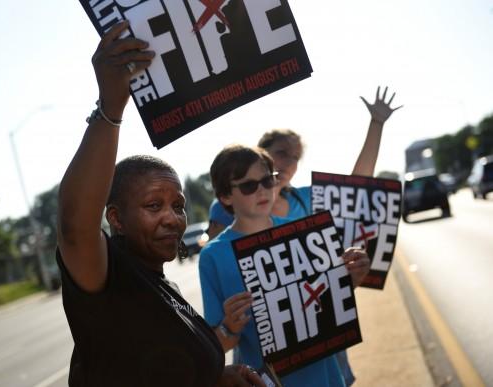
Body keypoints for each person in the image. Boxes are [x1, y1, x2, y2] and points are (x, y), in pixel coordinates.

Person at [56, 20, 265, 387]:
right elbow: (74, 227)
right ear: (116, 219)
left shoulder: (160, 283)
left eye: (178, 205)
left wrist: (220, 377)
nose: (173, 218)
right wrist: (110, 105)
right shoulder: (109, 279)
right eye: (154, 206)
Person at [199, 144, 371, 386]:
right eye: (249, 186)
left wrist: (350, 279)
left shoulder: (305, 231)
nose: (262, 191)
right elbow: (217, 346)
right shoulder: (213, 256)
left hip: (328, 378)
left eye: (267, 181)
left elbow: (328, 303)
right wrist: (230, 326)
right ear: (226, 196)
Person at [206, 86, 403, 240]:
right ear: (261, 154)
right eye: (282, 152)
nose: (289, 162)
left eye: (296, 157)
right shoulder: (224, 207)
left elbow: (354, 188)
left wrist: (376, 123)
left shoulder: (307, 198)